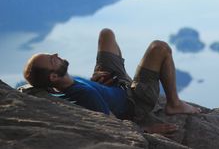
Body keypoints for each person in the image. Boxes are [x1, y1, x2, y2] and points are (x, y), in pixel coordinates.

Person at [23, 28, 201, 135]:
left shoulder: (64, 84)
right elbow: (112, 123)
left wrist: (96, 83)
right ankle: (174, 103)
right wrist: (147, 129)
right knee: (159, 47)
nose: (55, 54)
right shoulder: (86, 94)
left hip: (109, 82)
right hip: (134, 100)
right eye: (52, 60)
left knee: (106, 34)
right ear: (53, 77)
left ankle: (107, 79)